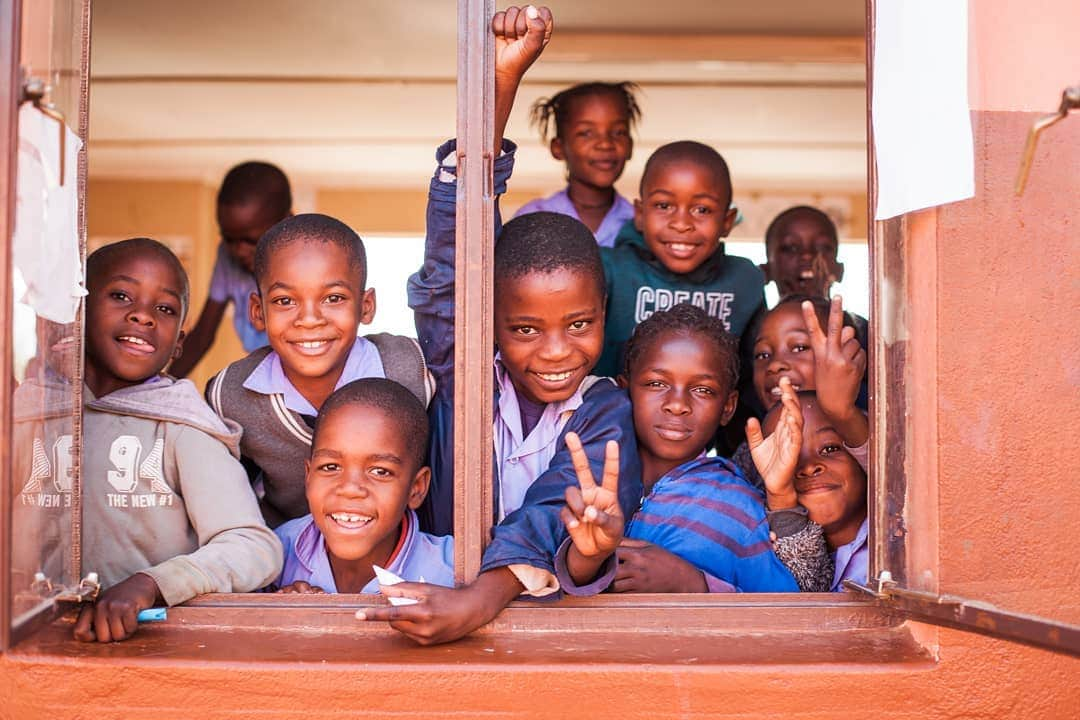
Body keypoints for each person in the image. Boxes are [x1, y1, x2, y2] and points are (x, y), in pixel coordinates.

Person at [359, 5, 641, 645]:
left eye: (579, 324)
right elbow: (455, 249)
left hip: (553, 640)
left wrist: (478, 602)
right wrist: (501, 84)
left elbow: (549, 514)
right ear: (487, 323)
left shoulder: (605, 411)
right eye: (524, 330)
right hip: (426, 604)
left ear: (605, 316)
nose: (555, 352)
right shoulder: (463, 373)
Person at [70, 238, 281, 642]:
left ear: (178, 345)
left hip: (149, 646)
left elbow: (253, 547)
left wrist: (153, 583)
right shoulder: (30, 415)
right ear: (79, 311)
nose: (143, 316)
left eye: (164, 309)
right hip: (33, 639)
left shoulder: (183, 427)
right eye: (120, 295)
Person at [207, 213, 433, 527]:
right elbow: (227, 507)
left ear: (365, 306)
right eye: (285, 300)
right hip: (287, 561)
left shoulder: (412, 369)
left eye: (334, 298)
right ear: (258, 312)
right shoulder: (230, 394)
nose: (310, 319)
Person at [591, 303, 798, 593]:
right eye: (656, 383)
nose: (677, 404)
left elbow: (786, 619)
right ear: (625, 391)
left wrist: (694, 585)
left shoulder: (740, 509)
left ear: (727, 407)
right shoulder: (586, 476)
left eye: (703, 390)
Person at [594, 140, 765, 377]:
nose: (682, 224)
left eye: (702, 209)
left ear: (727, 221)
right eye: (664, 205)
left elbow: (754, 373)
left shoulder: (745, 281)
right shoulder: (609, 270)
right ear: (641, 214)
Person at [272, 378, 453, 594]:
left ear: (416, 488)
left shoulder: (452, 572)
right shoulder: (274, 555)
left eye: (380, 471)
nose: (350, 489)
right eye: (330, 467)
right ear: (308, 477)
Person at [745, 296, 869, 592]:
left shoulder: (896, 535)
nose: (776, 364)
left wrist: (842, 411)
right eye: (762, 354)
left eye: (800, 347)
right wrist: (781, 498)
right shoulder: (751, 474)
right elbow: (805, 590)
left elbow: (894, 477)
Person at [170, 162, 292, 377]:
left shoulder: (308, 260)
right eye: (229, 239)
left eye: (251, 240)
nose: (239, 250)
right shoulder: (227, 258)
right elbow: (202, 336)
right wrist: (165, 385)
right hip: (266, 371)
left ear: (287, 222)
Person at [750, 388, 868, 592]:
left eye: (830, 449)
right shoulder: (763, 548)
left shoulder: (902, 536)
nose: (809, 466)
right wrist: (780, 496)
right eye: (792, 457)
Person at [514, 81, 641, 247]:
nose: (605, 144)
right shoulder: (532, 219)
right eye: (586, 133)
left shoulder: (640, 224)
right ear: (558, 148)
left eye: (619, 132)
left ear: (630, 146)